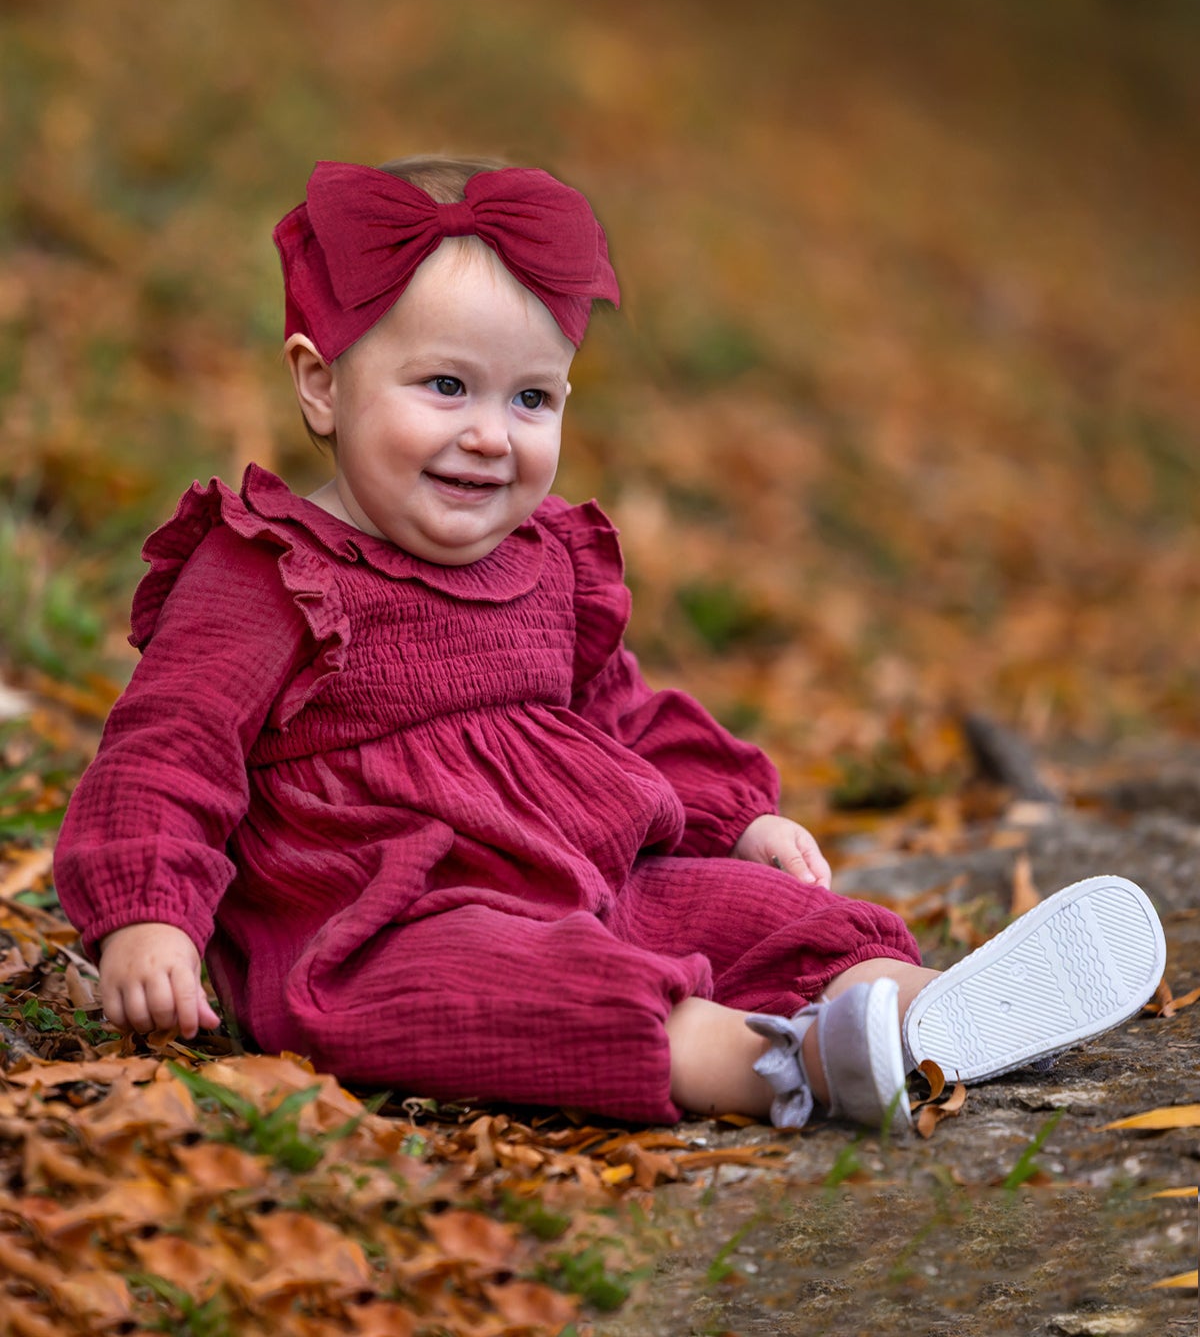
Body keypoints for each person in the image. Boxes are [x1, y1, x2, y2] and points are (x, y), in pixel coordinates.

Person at [53, 156, 1166, 1132]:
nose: (490, 435)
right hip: (384, 922)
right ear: (321, 382)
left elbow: (624, 716)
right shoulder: (267, 572)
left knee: (762, 918)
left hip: (600, 875)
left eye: (531, 398)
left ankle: (930, 1011)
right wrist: (148, 915)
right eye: (446, 387)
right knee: (529, 989)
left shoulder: (542, 559)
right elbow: (169, 750)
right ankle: (778, 1062)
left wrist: (743, 815)